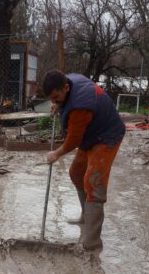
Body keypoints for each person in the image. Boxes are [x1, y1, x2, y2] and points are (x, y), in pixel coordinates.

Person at [43, 70, 125, 251]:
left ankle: (92, 243)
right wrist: (58, 104)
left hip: (107, 136)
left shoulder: (80, 107)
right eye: (52, 99)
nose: (54, 101)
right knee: (76, 173)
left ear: (65, 87)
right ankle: (86, 218)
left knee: (94, 181)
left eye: (56, 97)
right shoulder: (68, 82)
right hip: (92, 134)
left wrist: (56, 153)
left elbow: (73, 140)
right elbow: (65, 103)